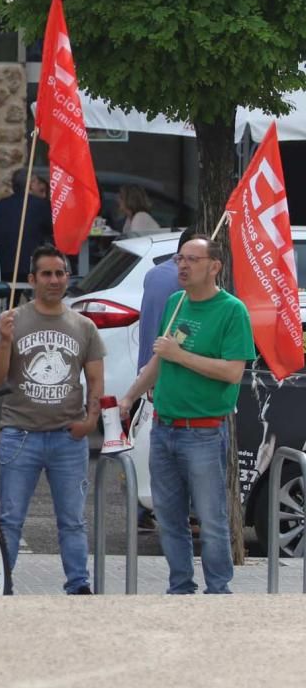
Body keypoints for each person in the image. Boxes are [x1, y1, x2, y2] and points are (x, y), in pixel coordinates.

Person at [121, 236, 255, 594]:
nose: (183, 266)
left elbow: (231, 372)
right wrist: (130, 396)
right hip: (165, 428)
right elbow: (160, 359)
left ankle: (218, 591)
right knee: (168, 518)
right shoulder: (175, 303)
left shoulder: (231, 311)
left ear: (215, 267)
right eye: (180, 259)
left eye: (193, 260)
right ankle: (180, 588)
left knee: (211, 521)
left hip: (204, 433)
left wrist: (180, 356)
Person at [0, 244, 105, 595]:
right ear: (31, 280)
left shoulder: (83, 326)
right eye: (47, 274)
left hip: (67, 437)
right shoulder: (11, 320)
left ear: (68, 278)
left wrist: (90, 420)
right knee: (10, 519)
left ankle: (78, 585)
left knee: (72, 521)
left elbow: (96, 378)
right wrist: (4, 341)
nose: (54, 280)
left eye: (60, 273)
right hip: (20, 434)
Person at [132, 229, 199, 533]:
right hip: (169, 376)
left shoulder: (156, 274)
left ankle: (141, 510)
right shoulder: (184, 290)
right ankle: (166, 512)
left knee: (144, 439)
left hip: (148, 367)